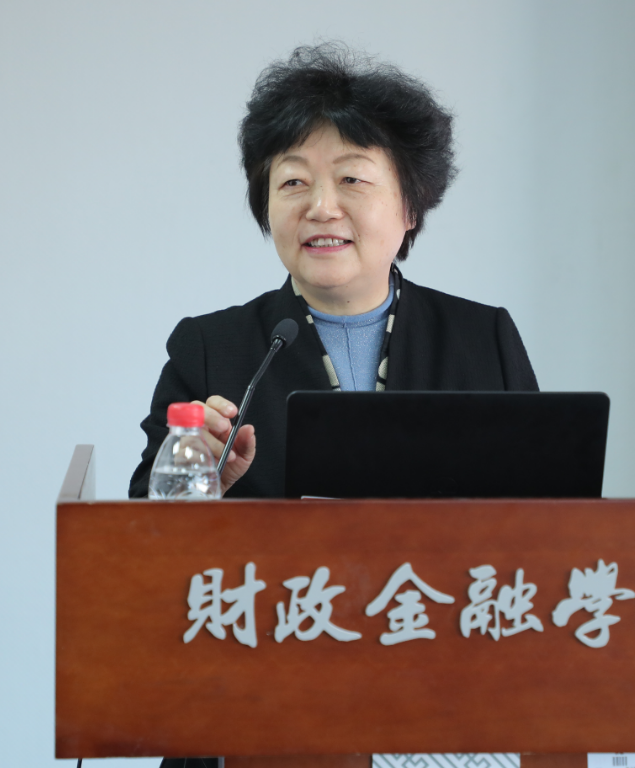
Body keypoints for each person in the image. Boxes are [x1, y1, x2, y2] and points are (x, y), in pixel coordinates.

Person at [128, 43, 538, 502]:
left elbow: (547, 514)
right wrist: (204, 488)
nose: (321, 208)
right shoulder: (208, 351)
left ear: (411, 206)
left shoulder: (484, 341)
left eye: (351, 179)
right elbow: (142, 529)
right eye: (293, 182)